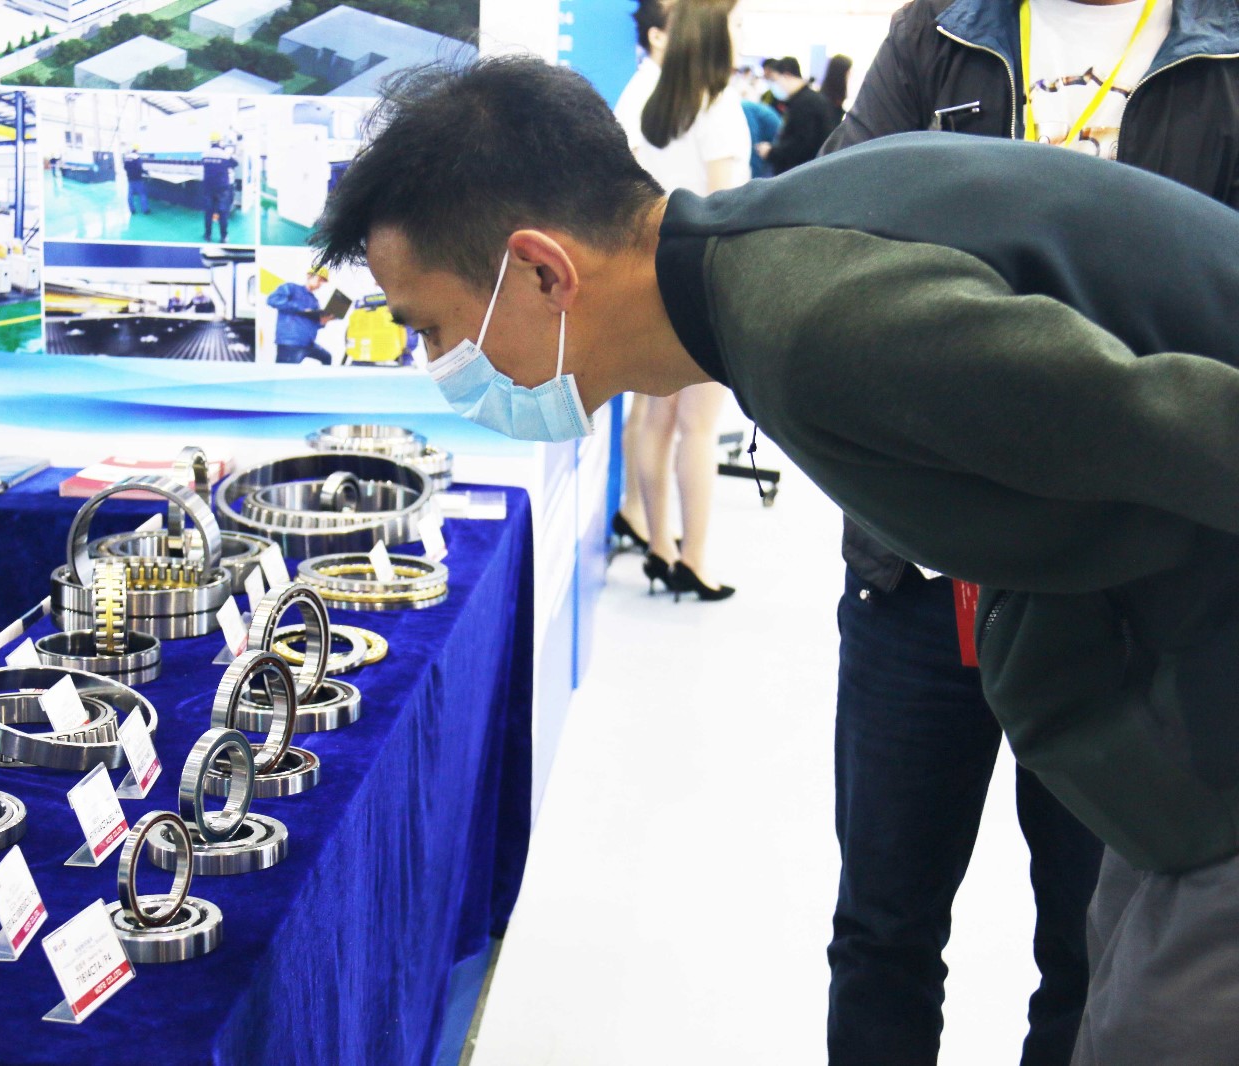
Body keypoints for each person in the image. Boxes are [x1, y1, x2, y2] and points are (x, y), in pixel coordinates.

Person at [313, 55, 1239, 1066]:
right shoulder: (768, 264)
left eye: (432, 330)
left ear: (543, 272)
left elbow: (1182, 425)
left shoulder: (816, 327)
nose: (439, 367)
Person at [817, 1, 1239, 1063]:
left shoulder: (1223, 50)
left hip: (1128, 594)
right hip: (919, 574)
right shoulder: (944, 31)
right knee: (880, 929)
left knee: (1096, 945)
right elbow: (824, 221)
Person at [627, 0, 747, 600]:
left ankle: (659, 545)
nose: (741, 32)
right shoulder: (716, 106)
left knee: (656, 420)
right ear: (715, 33)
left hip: (651, 276)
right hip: (702, 280)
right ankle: (694, 558)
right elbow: (724, 208)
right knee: (698, 429)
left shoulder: (651, 103)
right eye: (736, 22)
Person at [609, 0, 669, 554]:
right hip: (653, 263)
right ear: (656, 36)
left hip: (649, 260)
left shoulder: (650, 90)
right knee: (655, 410)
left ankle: (637, 513)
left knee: (648, 408)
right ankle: (649, 527)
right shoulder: (648, 93)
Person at [755, 56, 841, 172]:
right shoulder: (806, 99)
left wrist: (772, 153)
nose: (774, 85)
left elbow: (801, 145)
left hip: (807, 171)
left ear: (787, 75)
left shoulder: (805, 103)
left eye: (775, 80)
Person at [268, 265, 333, 365]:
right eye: (319, 280)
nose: (320, 284)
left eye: (322, 282)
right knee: (286, 373)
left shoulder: (314, 301)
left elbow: (314, 323)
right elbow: (272, 300)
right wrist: (301, 309)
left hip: (308, 343)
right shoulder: (291, 288)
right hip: (290, 343)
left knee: (327, 357)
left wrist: (323, 322)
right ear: (309, 276)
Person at [201, 133, 238, 243]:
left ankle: (207, 235)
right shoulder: (225, 155)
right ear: (220, 142)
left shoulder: (204, 154)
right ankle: (223, 237)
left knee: (208, 213)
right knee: (223, 213)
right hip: (222, 189)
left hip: (208, 188)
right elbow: (235, 163)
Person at [123, 144, 149, 215]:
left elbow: (125, 167)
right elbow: (139, 168)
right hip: (138, 179)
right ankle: (145, 210)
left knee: (130, 195)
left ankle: (132, 210)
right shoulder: (137, 158)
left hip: (130, 179)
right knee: (142, 194)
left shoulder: (127, 157)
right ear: (137, 150)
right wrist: (146, 172)